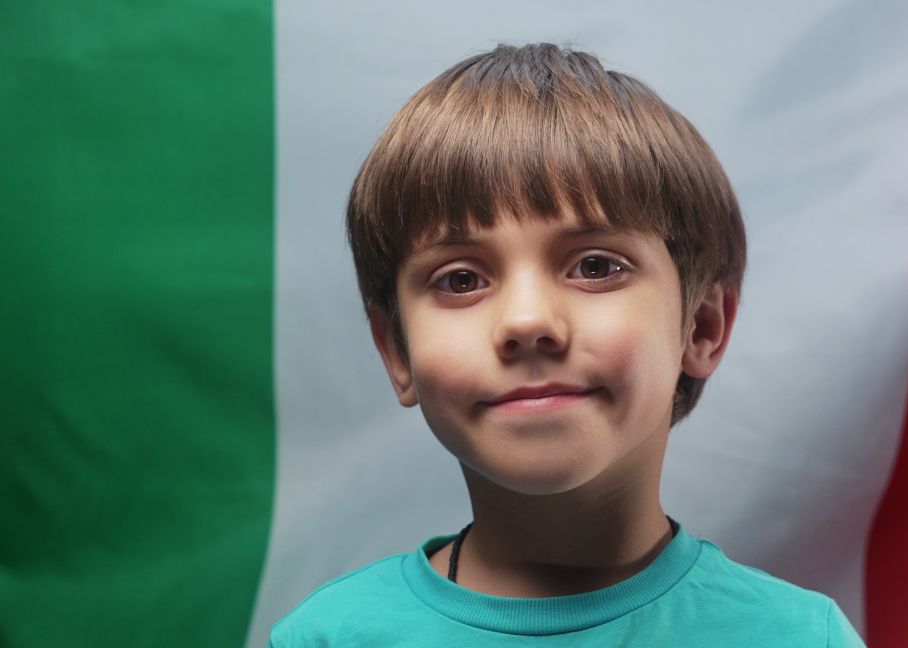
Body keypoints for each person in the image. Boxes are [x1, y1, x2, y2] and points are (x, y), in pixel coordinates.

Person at [269, 42, 864, 647]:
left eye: (596, 267)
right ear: (397, 353)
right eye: (462, 280)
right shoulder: (326, 638)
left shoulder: (799, 637)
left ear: (700, 328)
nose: (527, 321)